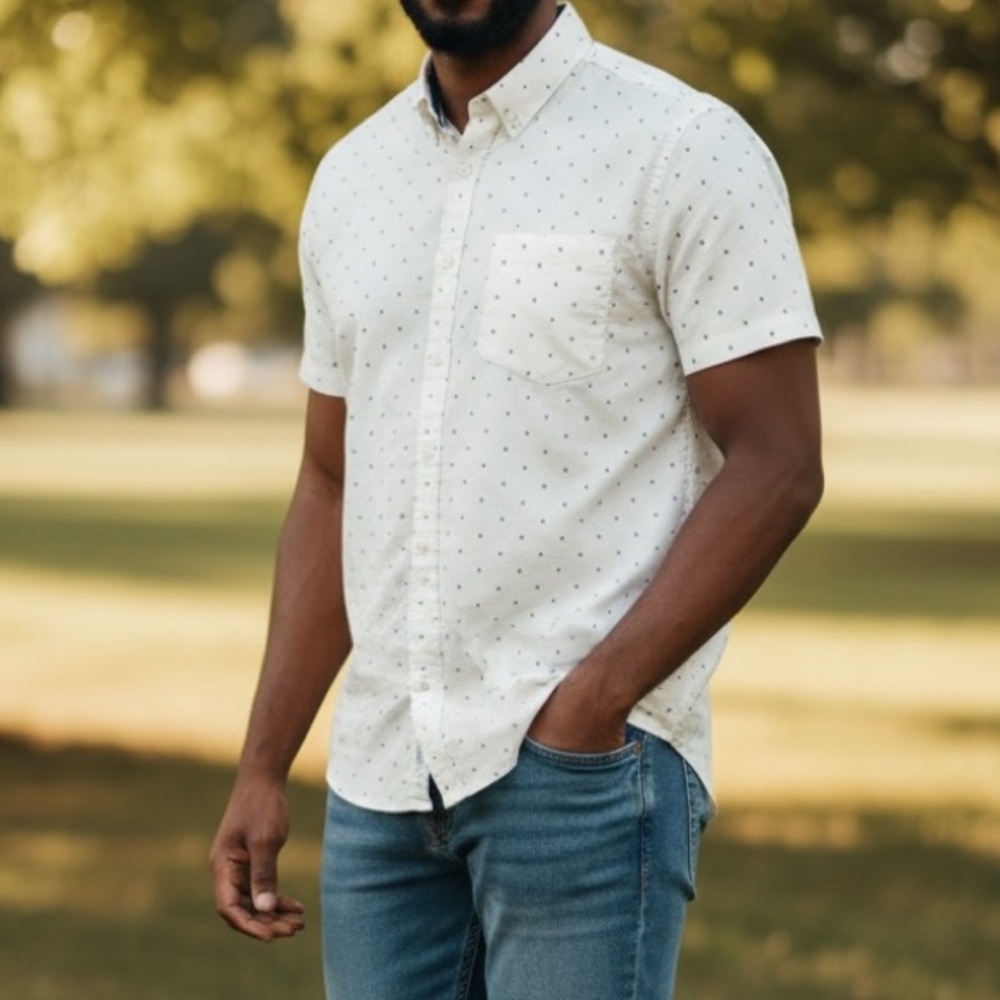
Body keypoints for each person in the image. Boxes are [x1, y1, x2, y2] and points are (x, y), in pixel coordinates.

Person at [209, 1, 824, 997]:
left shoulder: (683, 148)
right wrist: (262, 762)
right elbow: (331, 479)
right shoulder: (351, 181)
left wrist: (593, 702)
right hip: (380, 777)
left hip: (581, 773)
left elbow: (779, 460)